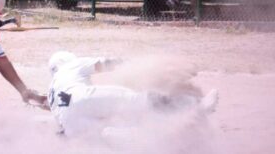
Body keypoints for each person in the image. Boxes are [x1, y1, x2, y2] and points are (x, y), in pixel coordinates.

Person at [46, 51, 218, 138]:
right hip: (82, 98)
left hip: (70, 127)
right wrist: (132, 64)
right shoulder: (72, 65)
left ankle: (160, 140)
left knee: (110, 134)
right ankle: (196, 106)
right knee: (140, 101)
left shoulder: (51, 91)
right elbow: (105, 64)